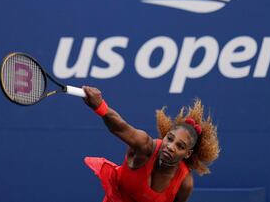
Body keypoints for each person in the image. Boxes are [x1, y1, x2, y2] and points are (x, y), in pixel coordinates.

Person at [82, 86, 220, 202]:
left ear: (187, 153)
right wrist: (100, 106)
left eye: (180, 146)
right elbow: (119, 127)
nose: (171, 146)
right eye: (170, 139)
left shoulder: (185, 183)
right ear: (165, 136)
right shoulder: (145, 146)